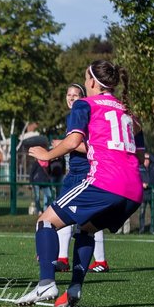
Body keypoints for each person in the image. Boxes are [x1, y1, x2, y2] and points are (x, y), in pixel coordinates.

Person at [16, 60, 142, 307]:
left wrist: (48, 154)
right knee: (86, 230)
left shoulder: (85, 104)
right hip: (134, 189)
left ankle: (46, 282)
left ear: (93, 82)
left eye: (86, 79)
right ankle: (73, 290)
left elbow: (73, 141)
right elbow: (134, 134)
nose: (85, 83)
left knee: (45, 221)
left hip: (106, 182)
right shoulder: (125, 109)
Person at [53, 84, 92, 272]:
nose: (71, 98)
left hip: (86, 173)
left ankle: (98, 261)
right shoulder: (71, 117)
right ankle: (62, 257)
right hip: (73, 173)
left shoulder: (86, 115)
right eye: (68, 94)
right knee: (64, 213)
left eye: (75, 95)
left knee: (87, 221)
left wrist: (62, 145)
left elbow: (88, 147)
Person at [137, 150, 154, 233]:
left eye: (148, 159)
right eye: (145, 159)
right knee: (142, 213)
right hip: (143, 194)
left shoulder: (153, 168)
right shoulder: (139, 168)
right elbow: (136, 179)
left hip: (152, 193)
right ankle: (141, 230)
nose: (147, 161)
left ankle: (152, 229)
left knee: (153, 213)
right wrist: (141, 184)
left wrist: (150, 155)